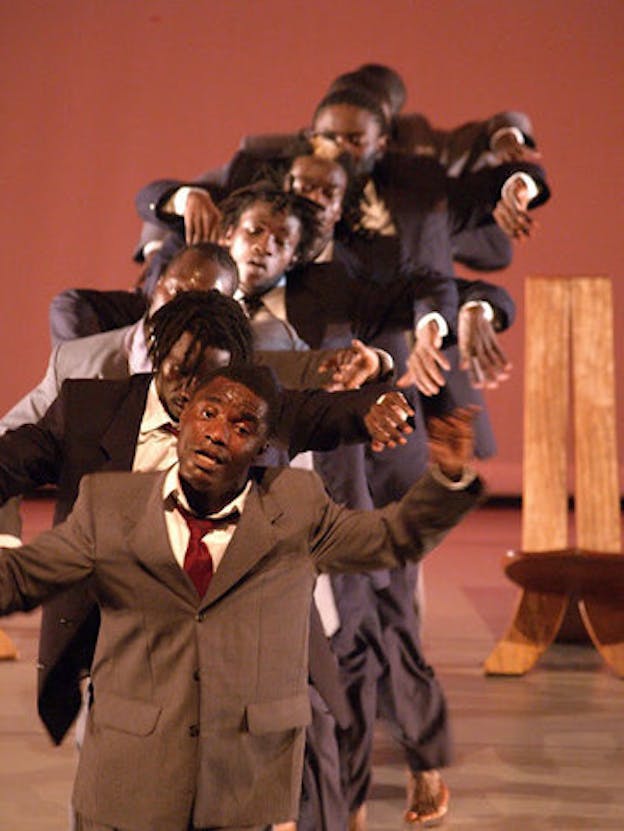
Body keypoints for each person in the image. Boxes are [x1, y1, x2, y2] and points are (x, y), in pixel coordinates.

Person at [0, 362, 484, 831]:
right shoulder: (110, 506)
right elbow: (23, 577)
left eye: (241, 425)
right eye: (208, 414)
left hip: (240, 785)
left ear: (260, 446)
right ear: (181, 416)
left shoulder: (295, 507)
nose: (216, 433)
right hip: (127, 779)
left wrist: (448, 479)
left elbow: (392, 537)